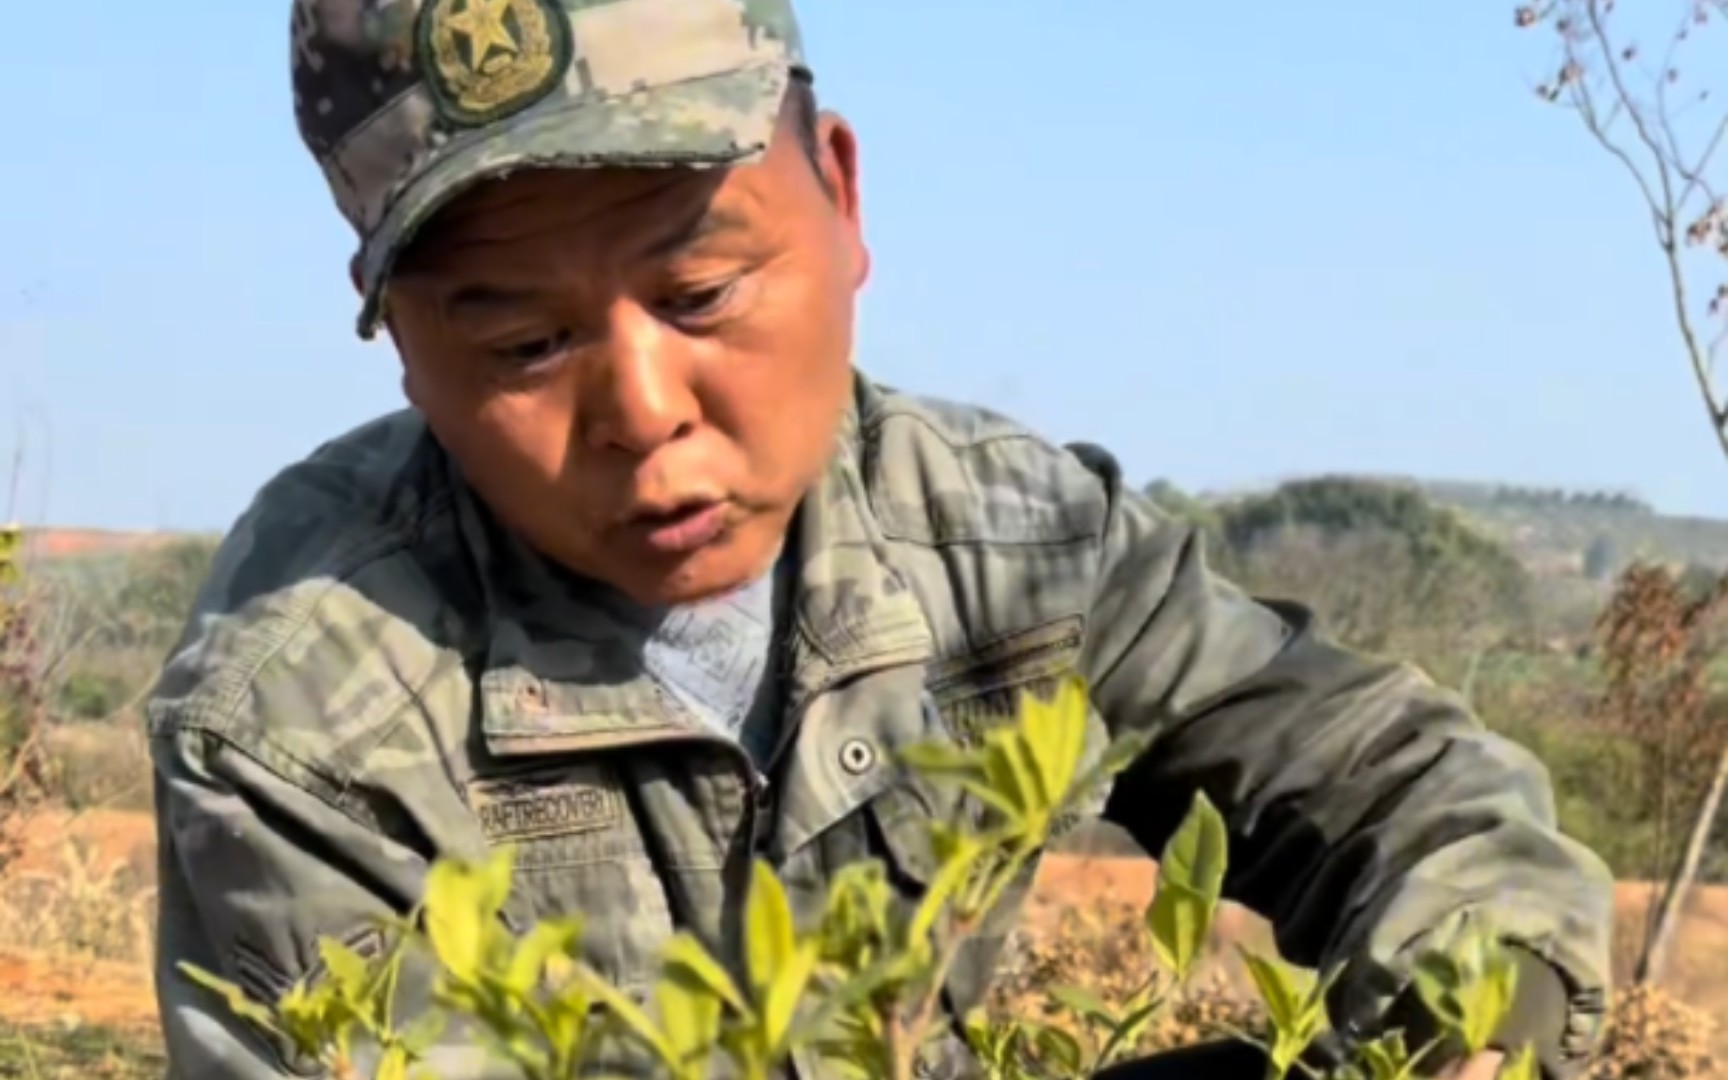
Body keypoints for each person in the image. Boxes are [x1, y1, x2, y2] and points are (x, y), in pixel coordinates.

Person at [146, 0, 1614, 1077]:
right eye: (524, 343)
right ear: (402, 345)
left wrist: (1466, 1022)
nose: (641, 410)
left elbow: (1402, 787)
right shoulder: (298, 717)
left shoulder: (1015, 542)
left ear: (841, 197)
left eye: (703, 293)